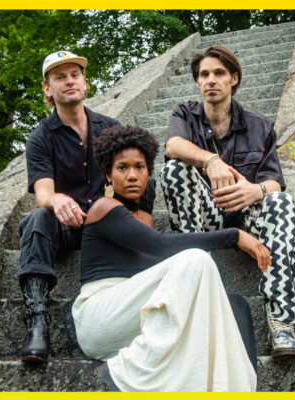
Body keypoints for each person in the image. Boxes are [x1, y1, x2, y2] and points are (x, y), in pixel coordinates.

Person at [72, 125, 268, 391]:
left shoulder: (146, 218)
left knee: (235, 306)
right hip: (100, 318)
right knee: (195, 260)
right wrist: (234, 235)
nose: (132, 176)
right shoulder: (104, 208)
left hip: (133, 316)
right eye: (122, 168)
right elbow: (161, 246)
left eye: (139, 167)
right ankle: (133, 373)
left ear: (148, 173)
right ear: (107, 176)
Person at [160, 45, 295, 358]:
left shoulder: (259, 125)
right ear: (198, 82)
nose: (211, 80)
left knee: (281, 201)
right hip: (205, 219)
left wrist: (256, 191)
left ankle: (282, 323)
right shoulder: (185, 114)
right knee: (173, 168)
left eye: (219, 73)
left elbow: (274, 180)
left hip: (248, 219)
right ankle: (192, 286)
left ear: (233, 79)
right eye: (204, 74)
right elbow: (172, 145)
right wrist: (211, 161)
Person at [18, 50, 154, 362]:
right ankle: (37, 321)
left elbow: (133, 175)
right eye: (59, 77)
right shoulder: (40, 137)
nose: (69, 81)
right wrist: (56, 200)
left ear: (85, 83)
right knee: (37, 219)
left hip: (106, 227)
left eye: (74, 75)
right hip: (67, 227)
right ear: (47, 89)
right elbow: (43, 193)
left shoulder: (110, 127)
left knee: (148, 183)